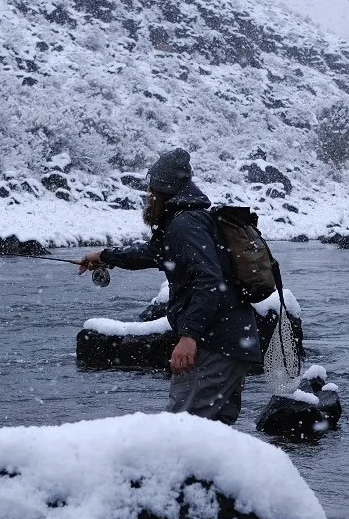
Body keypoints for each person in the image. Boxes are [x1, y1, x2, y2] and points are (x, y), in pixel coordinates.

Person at [78, 148, 262, 423]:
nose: (148, 196)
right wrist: (105, 256)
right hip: (231, 341)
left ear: (163, 190)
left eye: (151, 190)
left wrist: (189, 337)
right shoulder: (186, 220)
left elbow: (209, 280)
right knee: (212, 432)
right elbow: (154, 253)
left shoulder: (185, 225)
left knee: (179, 430)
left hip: (215, 344)